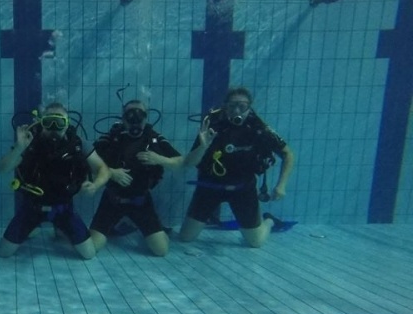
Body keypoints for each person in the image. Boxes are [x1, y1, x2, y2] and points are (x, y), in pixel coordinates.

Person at [179, 86, 295, 247]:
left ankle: (269, 221)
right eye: (232, 106)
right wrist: (203, 146)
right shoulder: (212, 126)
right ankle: (205, 217)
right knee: (186, 237)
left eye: (242, 106)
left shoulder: (259, 128)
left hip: (243, 189)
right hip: (210, 186)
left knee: (256, 242)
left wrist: (281, 185)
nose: (237, 110)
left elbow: (288, 154)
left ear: (250, 107)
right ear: (225, 106)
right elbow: (190, 162)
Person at [0, 102, 110, 260]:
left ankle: (59, 229)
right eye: (48, 122)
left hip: (63, 209)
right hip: (32, 208)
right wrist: (19, 147)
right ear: (41, 123)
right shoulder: (30, 142)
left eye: (59, 123)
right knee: (3, 253)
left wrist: (95, 185)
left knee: (89, 254)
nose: (54, 128)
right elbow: (2, 169)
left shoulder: (77, 144)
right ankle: (36, 228)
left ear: (67, 123)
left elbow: (103, 169)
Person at [89, 100, 183, 256]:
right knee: (92, 248)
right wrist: (111, 172)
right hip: (112, 200)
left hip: (141, 201)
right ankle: (122, 225)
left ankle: (142, 227)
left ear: (146, 117)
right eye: (130, 114)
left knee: (161, 250)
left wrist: (160, 159)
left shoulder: (154, 138)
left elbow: (180, 162)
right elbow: (88, 164)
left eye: (140, 114)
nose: (135, 118)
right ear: (123, 117)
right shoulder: (110, 138)